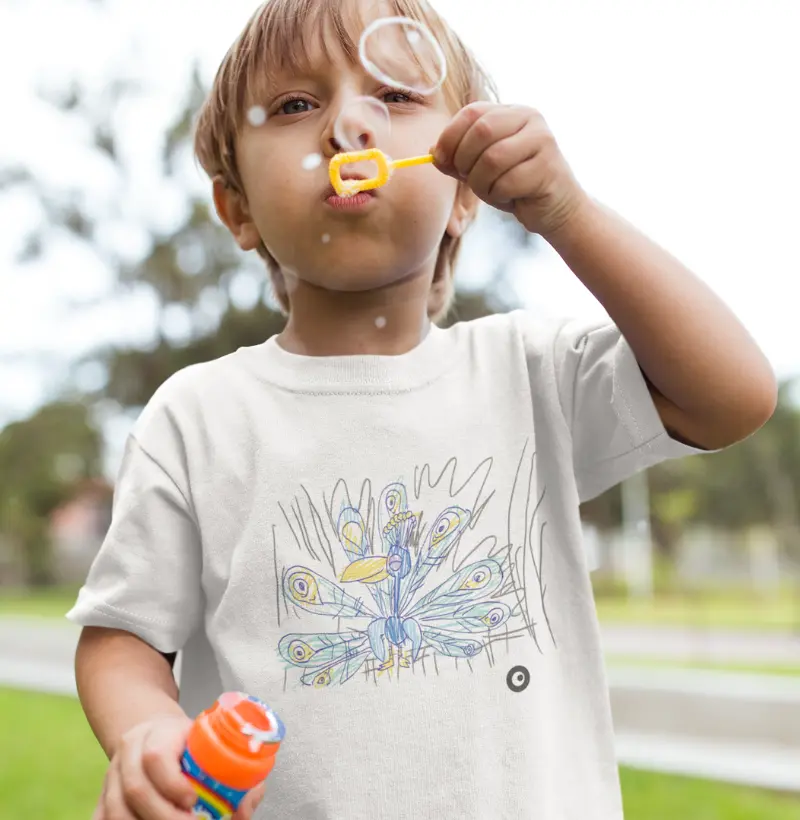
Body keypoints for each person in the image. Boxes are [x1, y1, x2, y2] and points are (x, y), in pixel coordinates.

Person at [67, 0, 777, 818]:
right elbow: (123, 633)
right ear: (238, 209)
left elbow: (732, 397)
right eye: (298, 106)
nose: (348, 128)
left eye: (397, 98)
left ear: (466, 190)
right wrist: (148, 730)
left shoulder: (529, 372)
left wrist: (568, 215)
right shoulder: (197, 418)